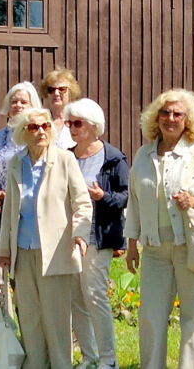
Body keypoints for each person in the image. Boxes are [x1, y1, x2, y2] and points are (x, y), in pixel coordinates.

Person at [124, 89, 194, 369]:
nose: (170, 118)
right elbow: (134, 200)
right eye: (165, 112)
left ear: (188, 120)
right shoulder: (144, 153)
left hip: (191, 246)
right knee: (150, 316)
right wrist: (132, 243)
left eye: (177, 114)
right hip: (155, 250)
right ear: (155, 117)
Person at [0, 107, 92, 369]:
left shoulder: (64, 160)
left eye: (45, 126)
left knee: (57, 319)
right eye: (34, 127)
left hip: (56, 252)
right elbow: (10, 211)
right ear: (23, 133)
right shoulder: (16, 162)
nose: (40, 131)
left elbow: (83, 202)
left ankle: (61, 365)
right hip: (23, 251)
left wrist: (80, 234)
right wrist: (4, 250)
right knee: (30, 318)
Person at [64, 99, 128, 369]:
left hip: (98, 235)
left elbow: (126, 197)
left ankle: (108, 360)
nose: (71, 128)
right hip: (69, 236)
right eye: (69, 123)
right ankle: (89, 358)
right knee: (76, 298)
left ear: (94, 126)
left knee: (94, 295)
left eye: (77, 123)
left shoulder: (113, 158)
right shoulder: (67, 155)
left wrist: (103, 197)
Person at [0, 81, 42, 313]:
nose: (18, 105)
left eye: (23, 101)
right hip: (0, 216)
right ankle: (3, 335)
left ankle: (31, 334)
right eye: (14, 101)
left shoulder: (40, 134)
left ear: (32, 105)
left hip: (29, 217)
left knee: (25, 278)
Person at [39, 66, 83, 148]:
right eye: (51, 90)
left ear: (71, 92)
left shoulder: (78, 120)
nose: (56, 93)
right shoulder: (39, 120)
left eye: (62, 89)